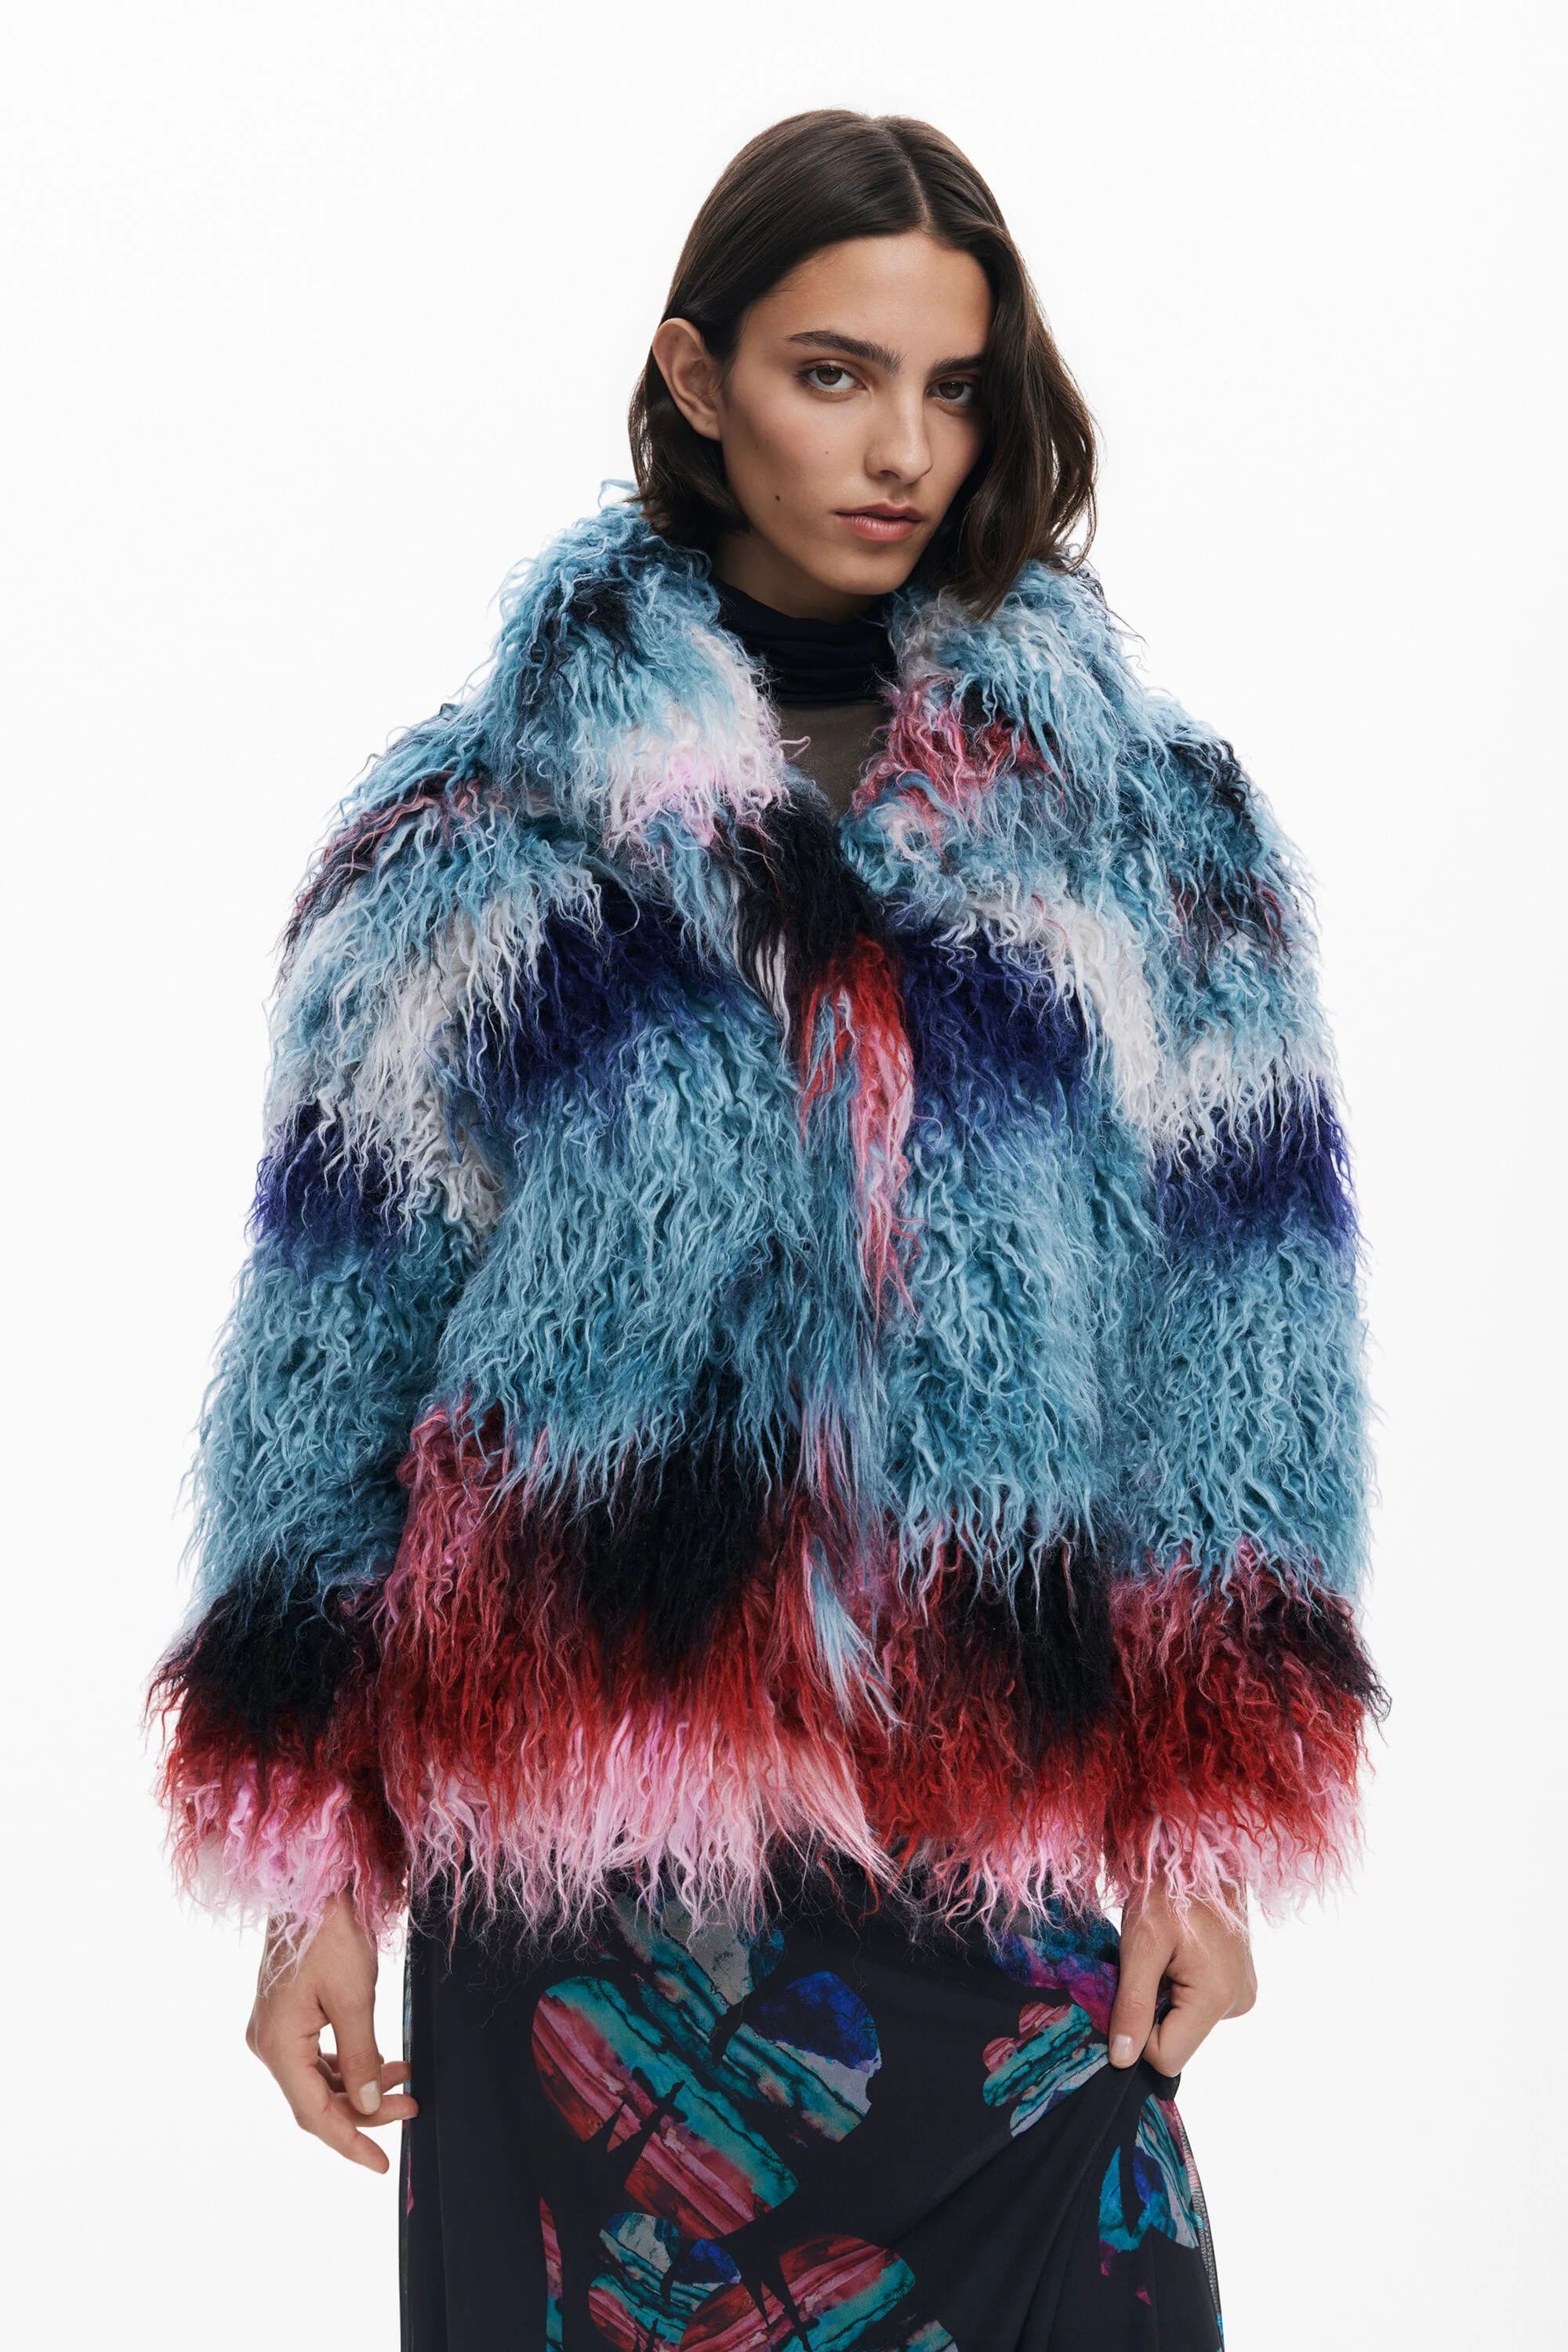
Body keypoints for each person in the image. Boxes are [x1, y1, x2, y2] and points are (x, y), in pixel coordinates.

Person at [151, 108, 1388, 2350]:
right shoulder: (469, 837)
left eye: (953, 386)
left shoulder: (1149, 836)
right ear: (695, 375)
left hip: (994, 1880)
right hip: (581, 1906)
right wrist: (308, 1860)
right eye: (836, 373)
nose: (903, 447)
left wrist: (1206, 1821)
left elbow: (1249, 1351)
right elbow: (330, 1369)